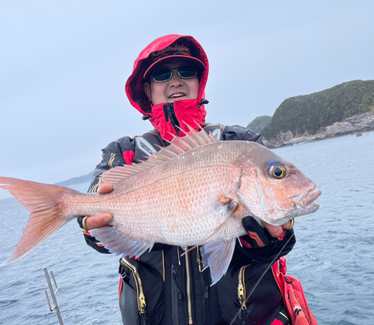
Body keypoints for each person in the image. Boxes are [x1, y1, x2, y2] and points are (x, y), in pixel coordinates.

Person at [77, 34, 298, 325]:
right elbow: (95, 212)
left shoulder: (239, 142)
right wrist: (90, 222)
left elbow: (282, 238)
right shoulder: (124, 153)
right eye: (162, 74)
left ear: (199, 81)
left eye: (186, 71)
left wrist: (269, 238)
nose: (176, 80)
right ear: (147, 88)